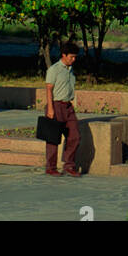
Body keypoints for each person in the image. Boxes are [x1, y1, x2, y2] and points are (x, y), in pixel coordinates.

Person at [44, 40, 82, 176]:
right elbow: (49, 89)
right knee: (53, 138)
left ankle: (69, 166)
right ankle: (51, 167)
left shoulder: (71, 71)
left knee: (75, 136)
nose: (73, 59)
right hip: (55, 105)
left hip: (68, 107)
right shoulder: (54, 69)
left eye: (75, 57)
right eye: (71, 57)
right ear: (63, 55)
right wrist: (50, 109)